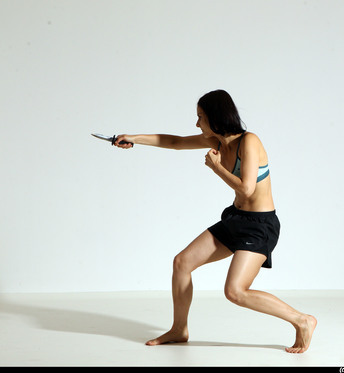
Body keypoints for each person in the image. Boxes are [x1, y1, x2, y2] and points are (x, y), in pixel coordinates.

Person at [114, 89, 316, 353]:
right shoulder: (219, 142)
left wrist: (217, 168)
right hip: (236, 219)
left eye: (200, 117)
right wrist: (133, 138)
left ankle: (302, 320)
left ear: (216, 117)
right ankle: (179, 329)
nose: (197, 124)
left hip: (259, 226)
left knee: (235, 291)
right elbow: (174, 141)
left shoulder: (249, 141)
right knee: (181, 262)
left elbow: (247, 189)